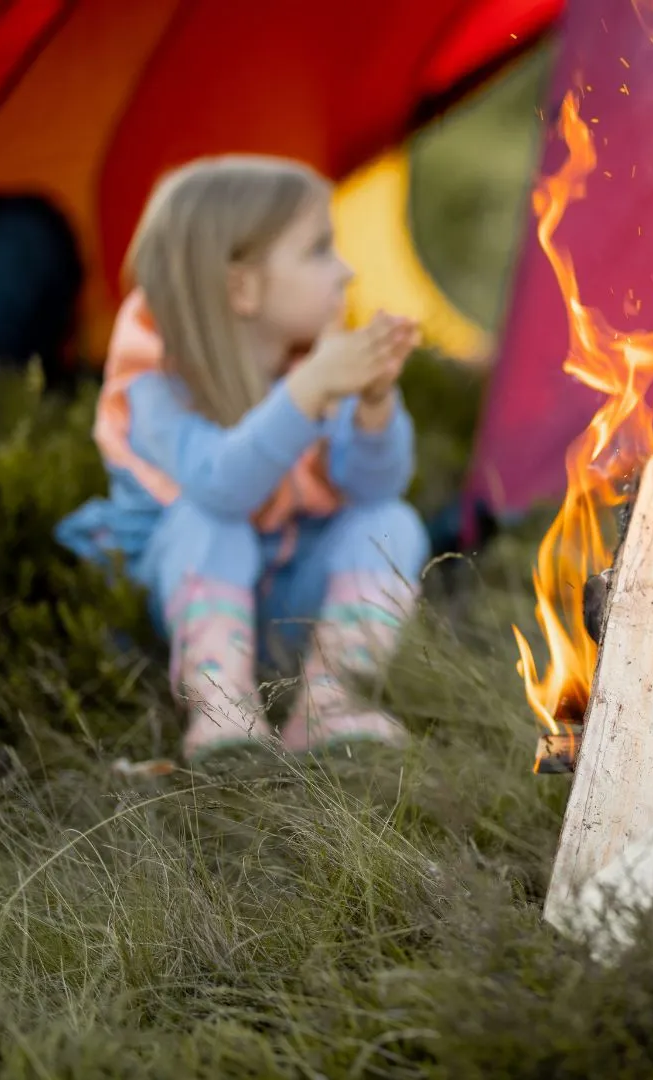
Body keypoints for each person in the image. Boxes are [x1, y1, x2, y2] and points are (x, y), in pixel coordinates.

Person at [54, 155, 429, 764]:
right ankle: (221, 708)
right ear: (241, 288)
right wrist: (308, 393)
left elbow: (373, 485)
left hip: (279, 601)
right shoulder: (156, 389)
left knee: (392, 521)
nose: (347, 270)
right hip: (179, 607)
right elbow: (221, 486)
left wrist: (373, 402)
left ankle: (331, 701)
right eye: (319, 250)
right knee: (208, 517)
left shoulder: (309, 361)